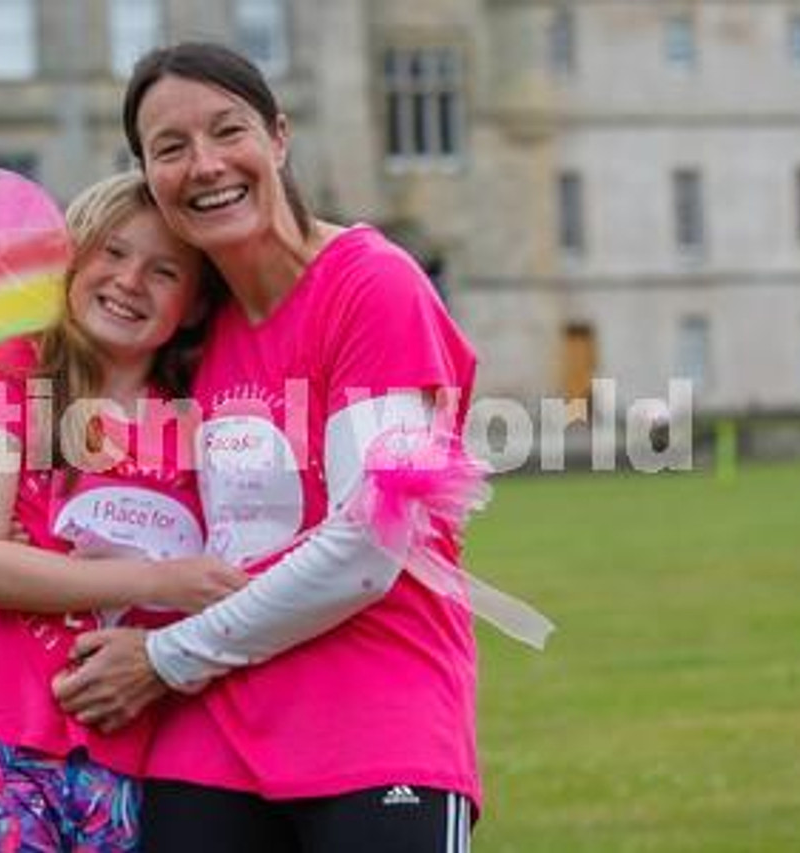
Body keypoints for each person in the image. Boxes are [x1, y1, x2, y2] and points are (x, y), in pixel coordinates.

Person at [52, 43, 481, 853]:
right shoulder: (187, 325)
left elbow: (371, 545)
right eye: (171, 148)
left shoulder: (372, 286)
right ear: (149, 173)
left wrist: (166, 656)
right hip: (209, 739)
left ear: (278, 138)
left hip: (375, 723)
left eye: (227, 131)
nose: (206, 164)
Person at [0, 170, 247, 852]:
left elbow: (230, 567)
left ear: (193, 306)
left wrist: (39, 563)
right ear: (71, 259)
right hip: (1, 733)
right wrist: (158, 581)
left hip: (141, 750)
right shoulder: (19, 371)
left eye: (164, 271)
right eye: (112, 252)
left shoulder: (203, 418)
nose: (130, 280)